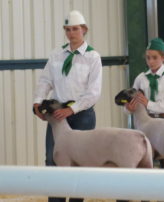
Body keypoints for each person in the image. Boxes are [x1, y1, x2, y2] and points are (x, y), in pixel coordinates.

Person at [33, 10, 102, 202]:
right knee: (52, 158)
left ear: (84, 30)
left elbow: (94, 92)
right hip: (57, 115)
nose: (71, 33)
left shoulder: (93, 57)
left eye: (75, 29)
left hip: (82, 114)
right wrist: (37, 101)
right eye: (68, 29)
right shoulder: (56, 55)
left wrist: (72, 109)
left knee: (79, 161)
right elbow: (45, 80)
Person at [125, 38, 164, 168]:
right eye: (148, 58)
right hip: (146, 125)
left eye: (154, 58)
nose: (150, 61)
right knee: (145, 159)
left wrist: (149, 104)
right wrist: (129, 108)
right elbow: (131, 100)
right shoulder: (141, 78)